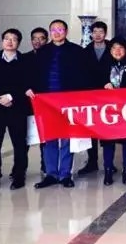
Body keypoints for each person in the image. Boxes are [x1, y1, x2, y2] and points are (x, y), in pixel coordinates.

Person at [31, 19, 88, 189]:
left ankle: (65, 174)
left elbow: (83, 77)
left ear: (66, 32)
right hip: (46, 101)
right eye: (53, 30)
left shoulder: (77, 51)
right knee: (49, 138)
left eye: (60, 29)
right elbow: (33, 75)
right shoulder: (42, 52)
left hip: (68, 102)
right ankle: (51, 174)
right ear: (50, 33)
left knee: (67, 138)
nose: (57, 33)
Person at [0, 29, 32, 191]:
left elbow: (28, 85)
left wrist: (11, 97)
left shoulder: (25, 62)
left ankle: (19, 176)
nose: (10, 42)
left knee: (20, 144)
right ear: (2, 41)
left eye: (14, 39)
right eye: (7, 39)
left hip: (18, 108)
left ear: (18, 43)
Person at [102, 37, 126, 186]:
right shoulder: (103, 65)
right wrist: (104, 84)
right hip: (107, 111)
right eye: (114, 48)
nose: (117, 51)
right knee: (108, 141)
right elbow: (93, 84)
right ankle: (108, 171)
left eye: (121, 48)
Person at [78, 21, 110, 176]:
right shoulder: (85, 52)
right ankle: (92, 161)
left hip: (109, 95)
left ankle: (109, 162)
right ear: (91, 34)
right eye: (95, 32)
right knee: (91, 128)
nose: (97, 35)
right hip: (90, 96)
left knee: (108, 127)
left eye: (101, 32)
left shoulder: (113, 48)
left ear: (105, 33)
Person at [28, 27, 48, 174]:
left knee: (44, 136)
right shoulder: (24, 58)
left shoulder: (51, 56)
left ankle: (45, 163)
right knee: (25, 136)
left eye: (41, 38)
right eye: (34, 38)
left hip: (45, 102)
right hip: (27, 102)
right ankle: (19, 168)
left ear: (46, 40)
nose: (37, 41)